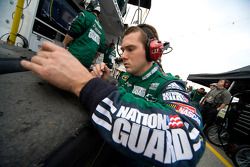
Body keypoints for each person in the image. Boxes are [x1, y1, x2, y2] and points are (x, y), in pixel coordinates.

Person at [21, 24, 205, 166]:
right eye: (122, 50)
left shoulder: (169, 85)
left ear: (152, 51)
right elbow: (123, 96)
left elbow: (187, 139)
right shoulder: (123, 77)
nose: (123, 56)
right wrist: (108, 83)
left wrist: (87, 85)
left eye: (130, 49)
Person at [63, 0, 106, 69]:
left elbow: (73, 32)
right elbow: (100, 51)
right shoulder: (102, 32)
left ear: (90, 6)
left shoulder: (85, 15)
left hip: (73, 56)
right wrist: (91, 60)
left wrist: (63, 45)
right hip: (86, 64)